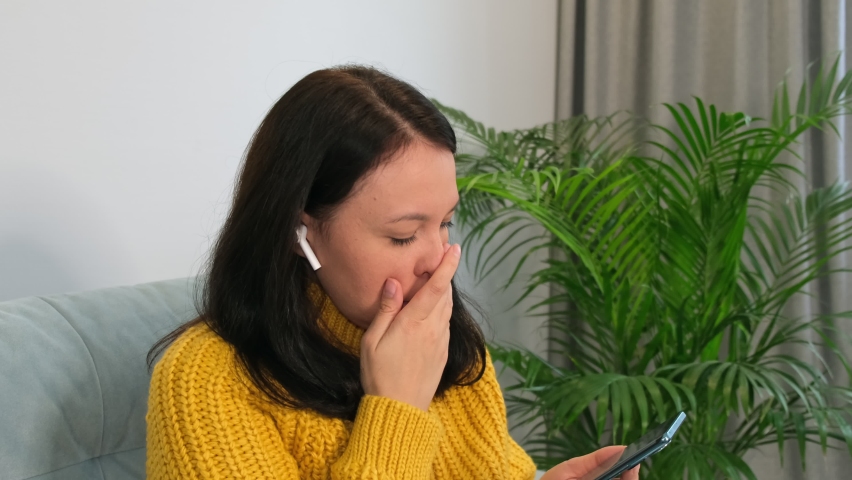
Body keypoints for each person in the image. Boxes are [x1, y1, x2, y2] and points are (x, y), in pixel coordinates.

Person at [145, 64, 639, 480]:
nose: (438, 260)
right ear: (299, 233)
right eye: (404, 235)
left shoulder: (449, 345)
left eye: (445, 223)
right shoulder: (206, 383)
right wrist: (397, 411)